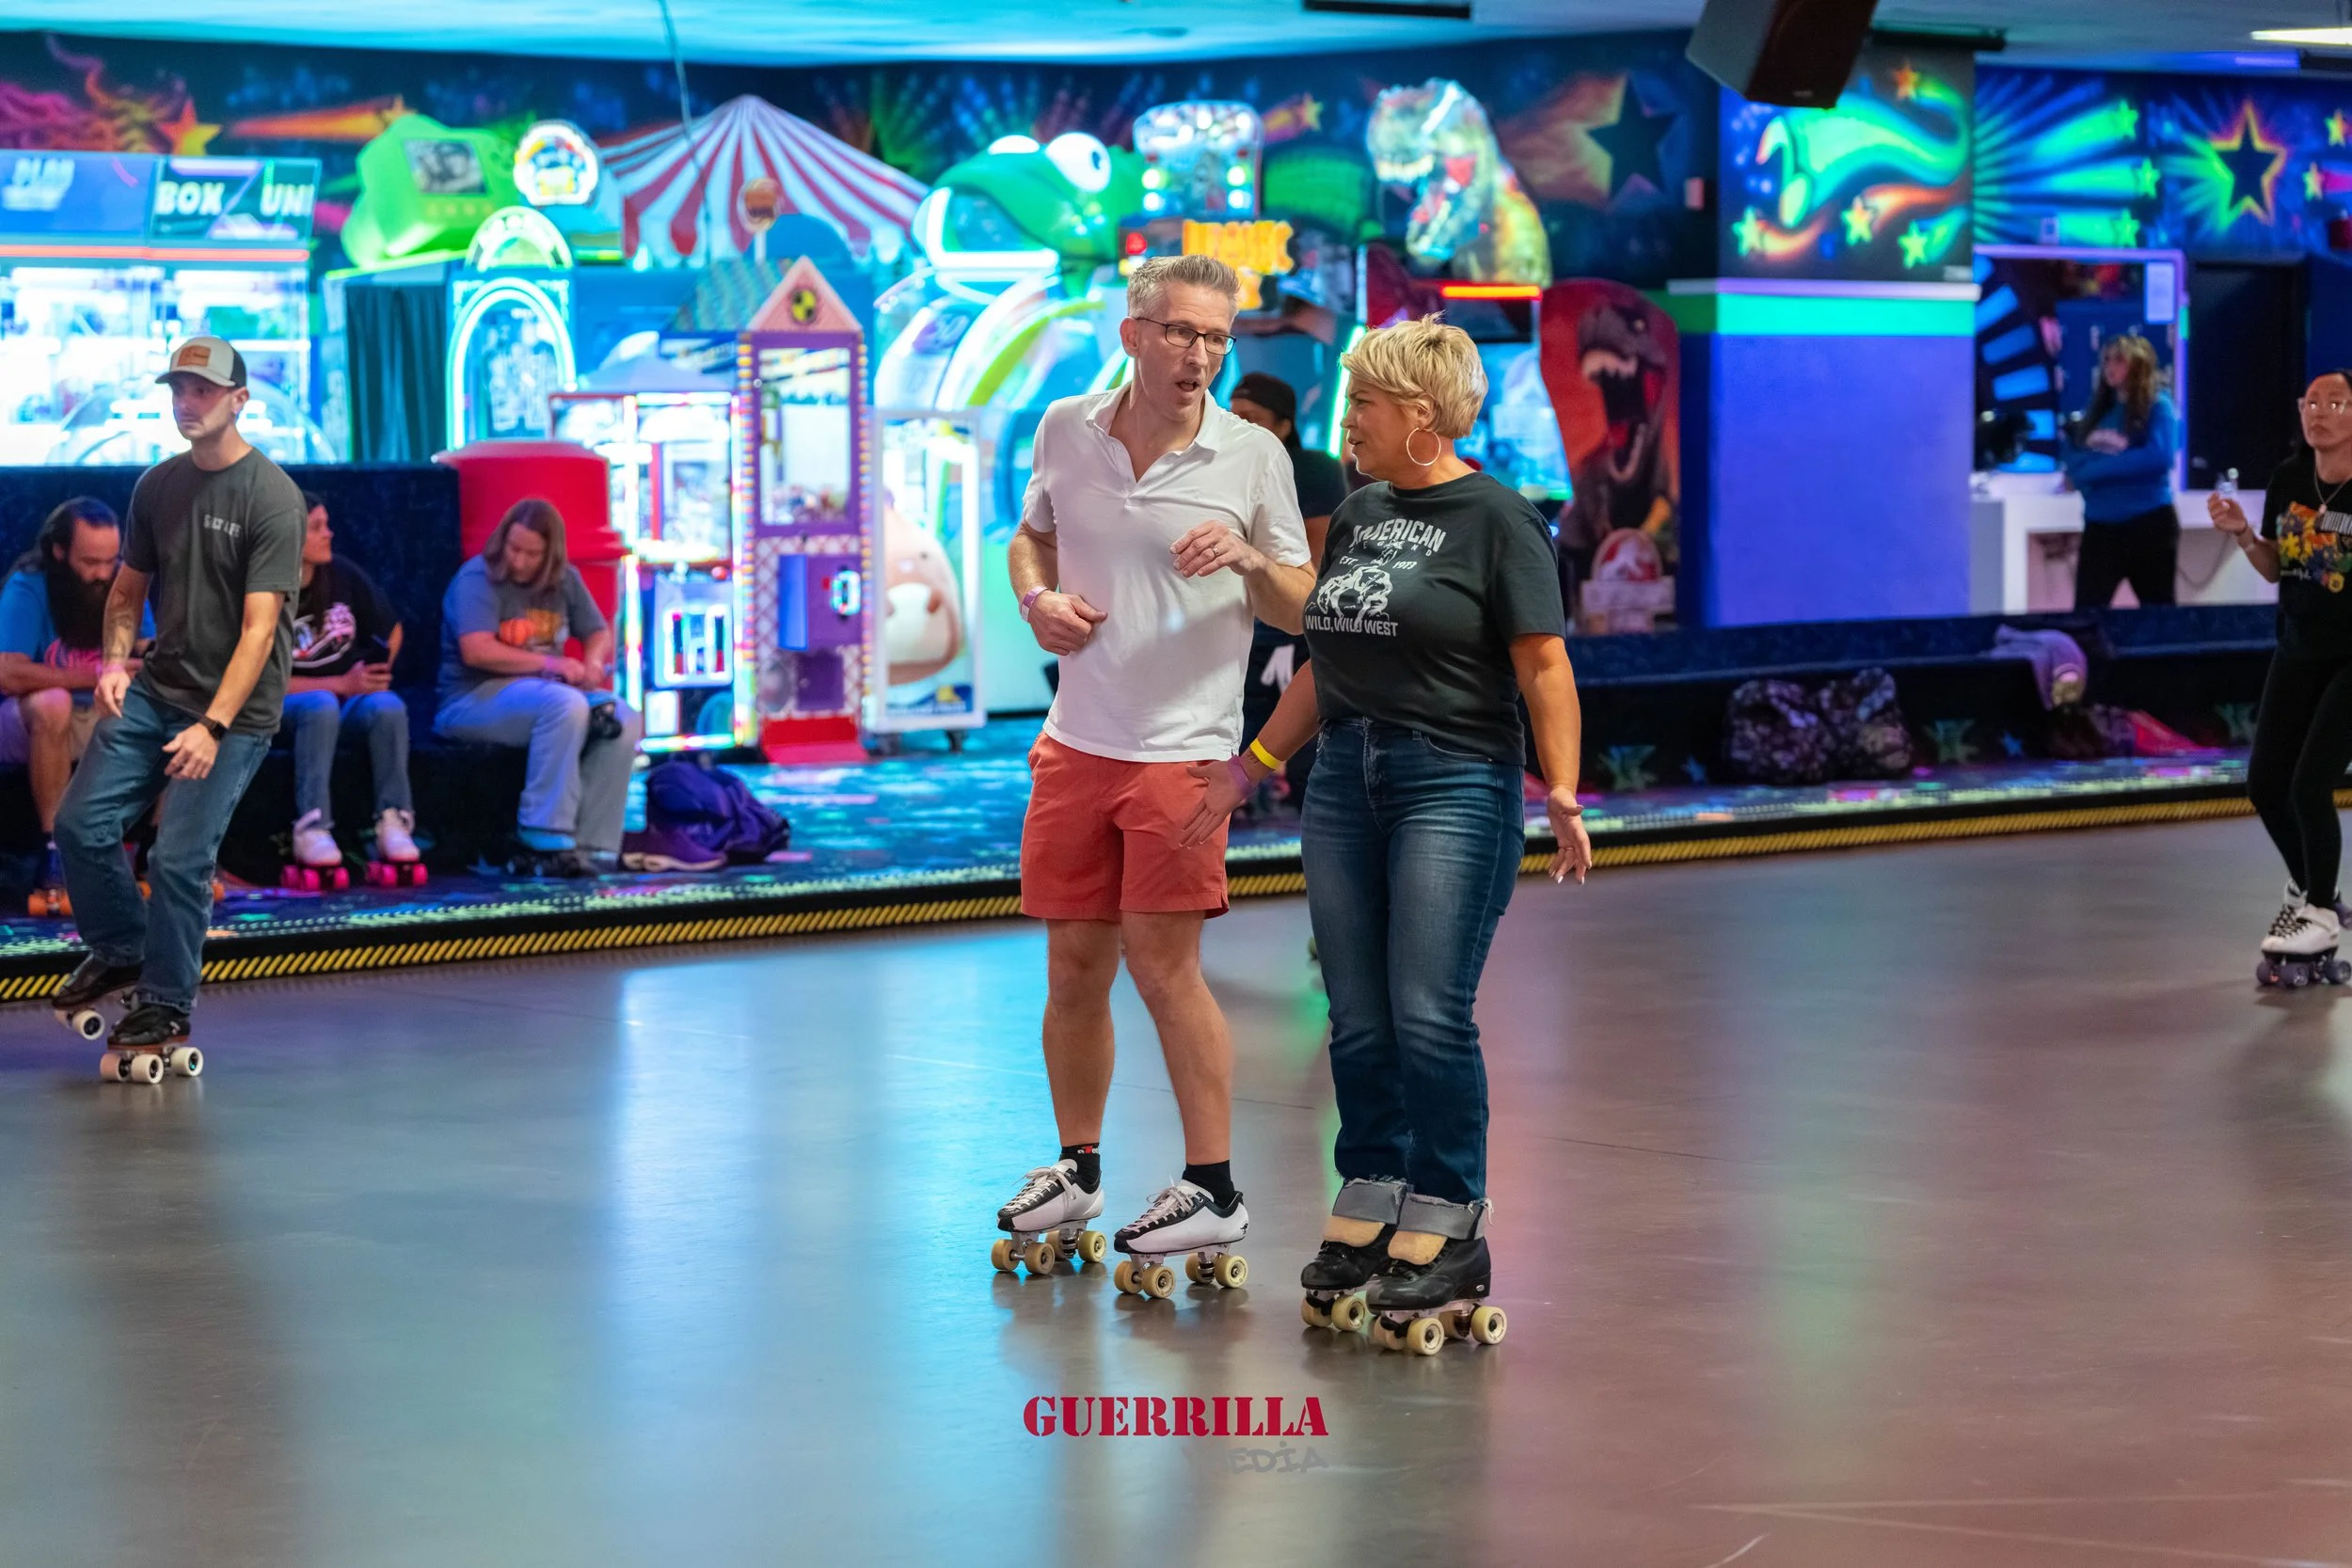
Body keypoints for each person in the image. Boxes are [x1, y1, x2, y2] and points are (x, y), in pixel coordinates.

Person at [1184, 316, 1594, 1346]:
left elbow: (1543, 664)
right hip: (1344, 778)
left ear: (1420, 413)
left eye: (1363, 403)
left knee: (1427, 1011)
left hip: (1452, 779)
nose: (1347, 423)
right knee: (1358, 1016)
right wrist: (1250, 766)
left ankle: (1450, 1215)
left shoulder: (1499, 518)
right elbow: (1331, 660)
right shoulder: (1362, 513)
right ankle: (1372, 1189)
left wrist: (1561, 789)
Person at [991, 254, 1314, 1286]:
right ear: (1133, 334)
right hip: (1075, 740)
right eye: (1181, 331)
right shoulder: (1066, 427)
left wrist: (1251, 560)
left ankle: (1213, 1186)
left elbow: (1303, 604)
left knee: (1166, 970)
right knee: (1073, 967)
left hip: (1183, 752)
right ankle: (1078, 1167)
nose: (1201, 354)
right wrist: (1036, 601)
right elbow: (1031, 538)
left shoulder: (1252, 454)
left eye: (1217, 337)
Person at [49, 338, 305, 1056]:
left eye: (203, 391)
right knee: (80, 824)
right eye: (179, 390)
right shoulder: (157, 486)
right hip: (158, 687)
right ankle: (122, 948)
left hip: (235, 712)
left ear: (239, 401)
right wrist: (114, 662)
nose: (186, 404)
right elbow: (126, 591)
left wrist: (213, 727)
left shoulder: (273, 498)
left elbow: (260, 631)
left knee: (178, 859)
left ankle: (166, 1000)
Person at [2211, 369, 2352, 980]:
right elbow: (2276, 567)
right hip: (2299, 647)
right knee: (2266, 783)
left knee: (2309, 784)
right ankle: (2317, 893)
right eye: (2310, 402)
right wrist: (2245, 534)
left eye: (2335, 403)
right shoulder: (2289, 480)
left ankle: (2318, 910)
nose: (2318, 412)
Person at [436, 498, 641, 878]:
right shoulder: (477, 577)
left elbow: (597, 630)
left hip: (545, 695)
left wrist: (593, 663)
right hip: (471, 699)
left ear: (549, 555)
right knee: (565, 705)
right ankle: (542, 832)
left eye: (531, 554)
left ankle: (593, 843)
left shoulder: (564, 580)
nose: (519, 561)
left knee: (623, 717)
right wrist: (552, 664)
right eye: (514, 548)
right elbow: (477, 650)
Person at [0, 498, 151, 903]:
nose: (102, 573)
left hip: (97, 715)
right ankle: (55, 851)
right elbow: (8, 673)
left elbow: (148, 653)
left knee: (171, 707)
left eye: (110, 561)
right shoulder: (29, 586)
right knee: (53, 702)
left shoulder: (123, 583)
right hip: (23, 723)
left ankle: (155, 847)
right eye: (90, 562)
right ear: (59, 552)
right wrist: (101, 672)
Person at [279, 490, 418, 874]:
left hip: (346, 700)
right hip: (286, 708)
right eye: (317, 528)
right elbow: (260, 685)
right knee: (321, 704)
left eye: (326, 524)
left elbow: (392, 630)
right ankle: (312, 827)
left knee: (387, 706)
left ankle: (393, 821)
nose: (329, 534)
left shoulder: (342, 573)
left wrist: (376, 671)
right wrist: (341, 684)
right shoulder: (265, 588)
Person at [1229, 370, 1348, 808]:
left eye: (1252, 417)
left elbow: (1318, 556)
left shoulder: (1311, 469)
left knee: (1305, 761)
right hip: (1239, 624)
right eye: (1233, 416)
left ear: (1283, 425)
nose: (1239, 426)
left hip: (1295, 626)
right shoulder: (1218, 468)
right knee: (1235, 741)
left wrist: (1293, 624)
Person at [2064, 333, 2181, 610]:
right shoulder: (2098, 412)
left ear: (2138, 364)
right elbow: (2075, 465)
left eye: (2119, 360)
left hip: (2148, 525)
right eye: (2106, 360)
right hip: (2100, 528)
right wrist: (2100, 468)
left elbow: (2159, 457)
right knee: (2087, 613)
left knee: (2158, 615)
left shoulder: (2159, 406)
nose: (2110, 367)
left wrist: (2097, 469)